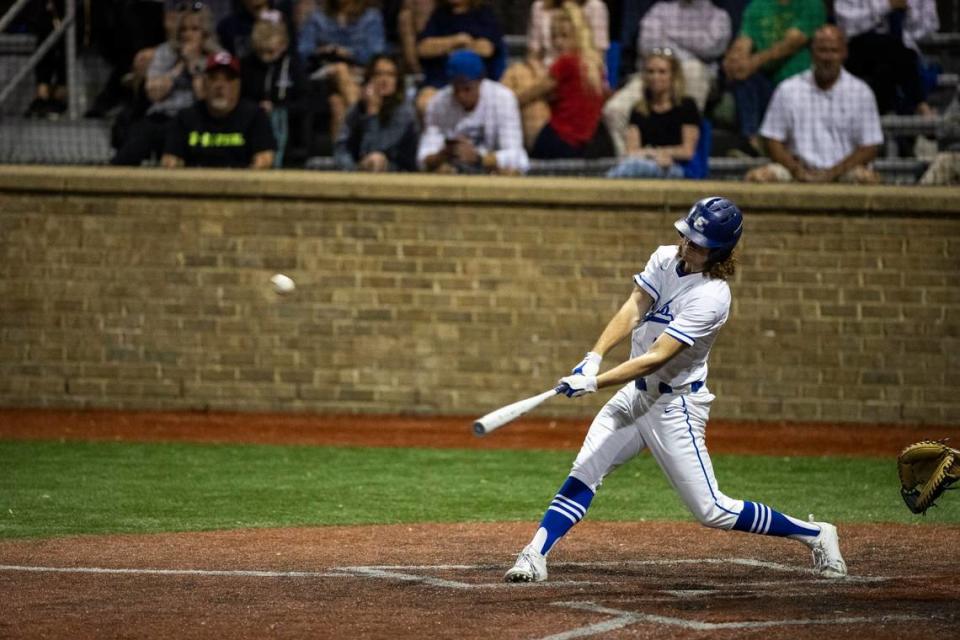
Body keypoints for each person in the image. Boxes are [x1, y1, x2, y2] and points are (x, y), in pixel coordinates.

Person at [503, 196, 848, 584]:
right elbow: (634, 308)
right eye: (686, 236)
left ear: (718, 251)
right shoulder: (666, 258)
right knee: (584, 471)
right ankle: (535, 554)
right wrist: (594, 356)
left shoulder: (713, 297)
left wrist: (594, 384)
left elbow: (656, 357)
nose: (687, 245)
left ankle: (817, 534)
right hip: (635, 396)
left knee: (712, 509)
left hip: (674, 407)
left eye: (698, 243)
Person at [745, 25, 883, 184]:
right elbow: (772, 140)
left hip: (845, 171)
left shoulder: (861, 92)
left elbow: (870, 147)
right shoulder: (789, 89)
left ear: (844, 53)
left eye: (833, 51)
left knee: (867, 179)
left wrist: (831, 174)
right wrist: (797, 170)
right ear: (812, 53)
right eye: (822, 50)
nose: (827, 57)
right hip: (795, 170)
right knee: (759, 177)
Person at [603, 0, 729, 155]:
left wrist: (669, 38)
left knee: (693, 68)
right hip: (653, 70)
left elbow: (710, 47)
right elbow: (646, 44)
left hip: (694, 75)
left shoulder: (718, 16)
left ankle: (680, 157)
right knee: (614, 110)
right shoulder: (660, 10)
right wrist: (683, 46)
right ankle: (629, 163)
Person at [111, 2, 222, 165]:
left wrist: (193, 64)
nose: (187, 34)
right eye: (183, 29)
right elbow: (153, 93)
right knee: (137, 142)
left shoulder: (216, 56)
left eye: (194, 29)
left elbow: (204, 97)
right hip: (162, 118)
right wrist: (179, 66)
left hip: (197, 119)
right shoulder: (165, 52)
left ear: (205, 33)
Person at [501, 0, 608, 148]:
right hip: (584, 140)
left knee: (520, 92)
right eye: (554, 37)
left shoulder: (566, 63)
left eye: (564, 36)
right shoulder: (593, 64)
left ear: (578, 35)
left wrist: (503, 103)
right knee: (517, 71)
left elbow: (530, 95)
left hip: (564, 139)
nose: (557, 43)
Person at [721, 0, 825, 153]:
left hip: (800, 84)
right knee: (743, 78)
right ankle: (751, 142)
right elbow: (744, 41)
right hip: (767, 85)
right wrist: (734, 60)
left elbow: (791, 43)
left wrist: (754, 62)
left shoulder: (812, 4)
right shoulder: (757, 5)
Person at [417, 50, 528, 174]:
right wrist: (443, 154)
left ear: (481, 81)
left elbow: (518, 157)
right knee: (439, 170)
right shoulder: (438, 102)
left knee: (510, 171)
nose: (461, 95)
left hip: (491, 172)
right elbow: (423, 158)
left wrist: (479, 158)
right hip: (452, 171)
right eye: (456, 88)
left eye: (467, 89)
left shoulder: (503, 98)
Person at [162, 50, 277, 168]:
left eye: (228, 79)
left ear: (238, 85)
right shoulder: (185, 118)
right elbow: (170, 161)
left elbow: (265, 159)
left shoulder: (255, 117)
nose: (220, 85)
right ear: (204, 83)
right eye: (213, 78)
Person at [297, 0, 386, 139]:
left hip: (359, 72)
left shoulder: (371, 17)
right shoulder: (318, 17)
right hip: (323, 72)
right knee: (340, 69)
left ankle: (343, 156)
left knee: (337, 104)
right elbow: (303, 51)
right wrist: (323, 50)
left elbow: (376, 52)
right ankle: (367, 131)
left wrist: (349, 53)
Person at [834, 0, 939, 116]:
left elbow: (931, 26)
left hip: (901, 53)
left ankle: (886, 114)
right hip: (858, 49)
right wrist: (887, 6)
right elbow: (846, 25)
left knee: (892, 59)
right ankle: (920, 105)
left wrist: (909, 15)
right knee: (893, 50)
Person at [606, 48, 700, 178]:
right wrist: (655, 155)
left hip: (678, 167)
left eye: (662, 72)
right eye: (651, 72)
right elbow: (631, 150)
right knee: (634, 165)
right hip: (648, 163)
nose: (655, 77)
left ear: (673, 76)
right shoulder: (638, 109)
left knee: (633, 167)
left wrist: (664, 155)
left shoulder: (687, 106)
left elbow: (687, 151)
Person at [414, 0, 504, 117]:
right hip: (441, 82)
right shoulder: (440, 15)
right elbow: (423, 48)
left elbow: (486, 49)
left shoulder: (484, 14)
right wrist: (456, 40)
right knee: (424, 102)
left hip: (476, 82)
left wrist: (455, 48)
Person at [241, 9, 308, 166]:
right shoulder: (247, 65)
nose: (265, 58)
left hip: (289, 130)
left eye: (270, 52)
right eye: (261, 52)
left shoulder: (294, 66)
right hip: (253, 126)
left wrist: (278, 108)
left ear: (283, 44)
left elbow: (305, 102)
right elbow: (241, 99)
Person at [334, 54, 419, 171]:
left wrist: (372, 114)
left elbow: (374, 149)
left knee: (376, 159)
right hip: (359, 169)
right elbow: (341, 148)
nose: (384, 80)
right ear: (369, 79)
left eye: (390, 75)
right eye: (378, 74)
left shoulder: (404, 112)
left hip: (398, 171)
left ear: (397, 81)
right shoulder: (357, 109)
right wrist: (351, 167)